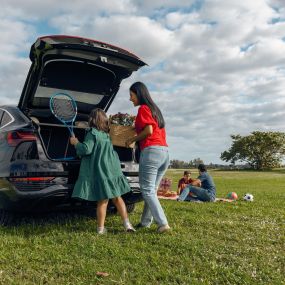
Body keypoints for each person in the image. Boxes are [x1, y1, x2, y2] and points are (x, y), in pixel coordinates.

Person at [70, 108, 135, 234]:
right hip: (113, 169)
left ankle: (100, 229)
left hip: (102, 171)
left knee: (103, 200)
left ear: (92, 120)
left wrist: (76, 143)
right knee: (117, 197)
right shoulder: (106, 135)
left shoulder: (92, 133)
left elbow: (86, 149)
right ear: (104, 121)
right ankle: (127, 224)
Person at [125, 81, 170, 233]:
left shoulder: (143, 108)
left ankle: (163, 223)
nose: (130, 99)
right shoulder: (154, 109)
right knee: (152, 190)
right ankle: (145, 222)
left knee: (147, 190)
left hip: (151, 151)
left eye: (131, 95)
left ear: (138, 94)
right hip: (164, 153)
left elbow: (148, 131)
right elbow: (151, 127)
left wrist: (131, 139)